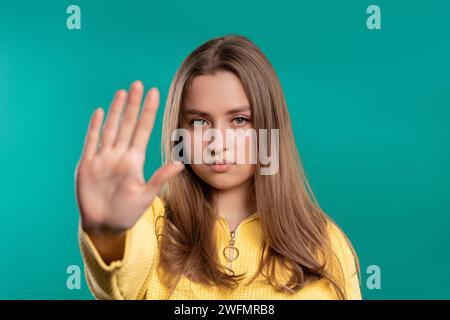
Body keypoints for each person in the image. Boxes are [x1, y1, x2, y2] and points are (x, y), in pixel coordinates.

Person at [75, 34, 362, 300]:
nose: (217, 143)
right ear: (179, 133)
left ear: (269, 128)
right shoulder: (150, 223)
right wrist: (109, 235)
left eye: (239, 120)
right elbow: (119, 284)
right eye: (199, 122)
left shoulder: (325, 242)